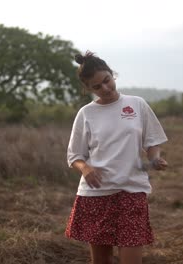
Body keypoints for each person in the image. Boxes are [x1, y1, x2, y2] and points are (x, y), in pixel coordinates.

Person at [65, 51, 168, 264]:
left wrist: (155, 158)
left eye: (107, 81)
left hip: (132, 190)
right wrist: (86, 169)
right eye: (97, 87)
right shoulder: (86, 114)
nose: (105, 88)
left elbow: (152, 141)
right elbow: (75, 155)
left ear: (112, 75)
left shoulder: (137, 104)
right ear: (88, 89)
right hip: (96, 194)